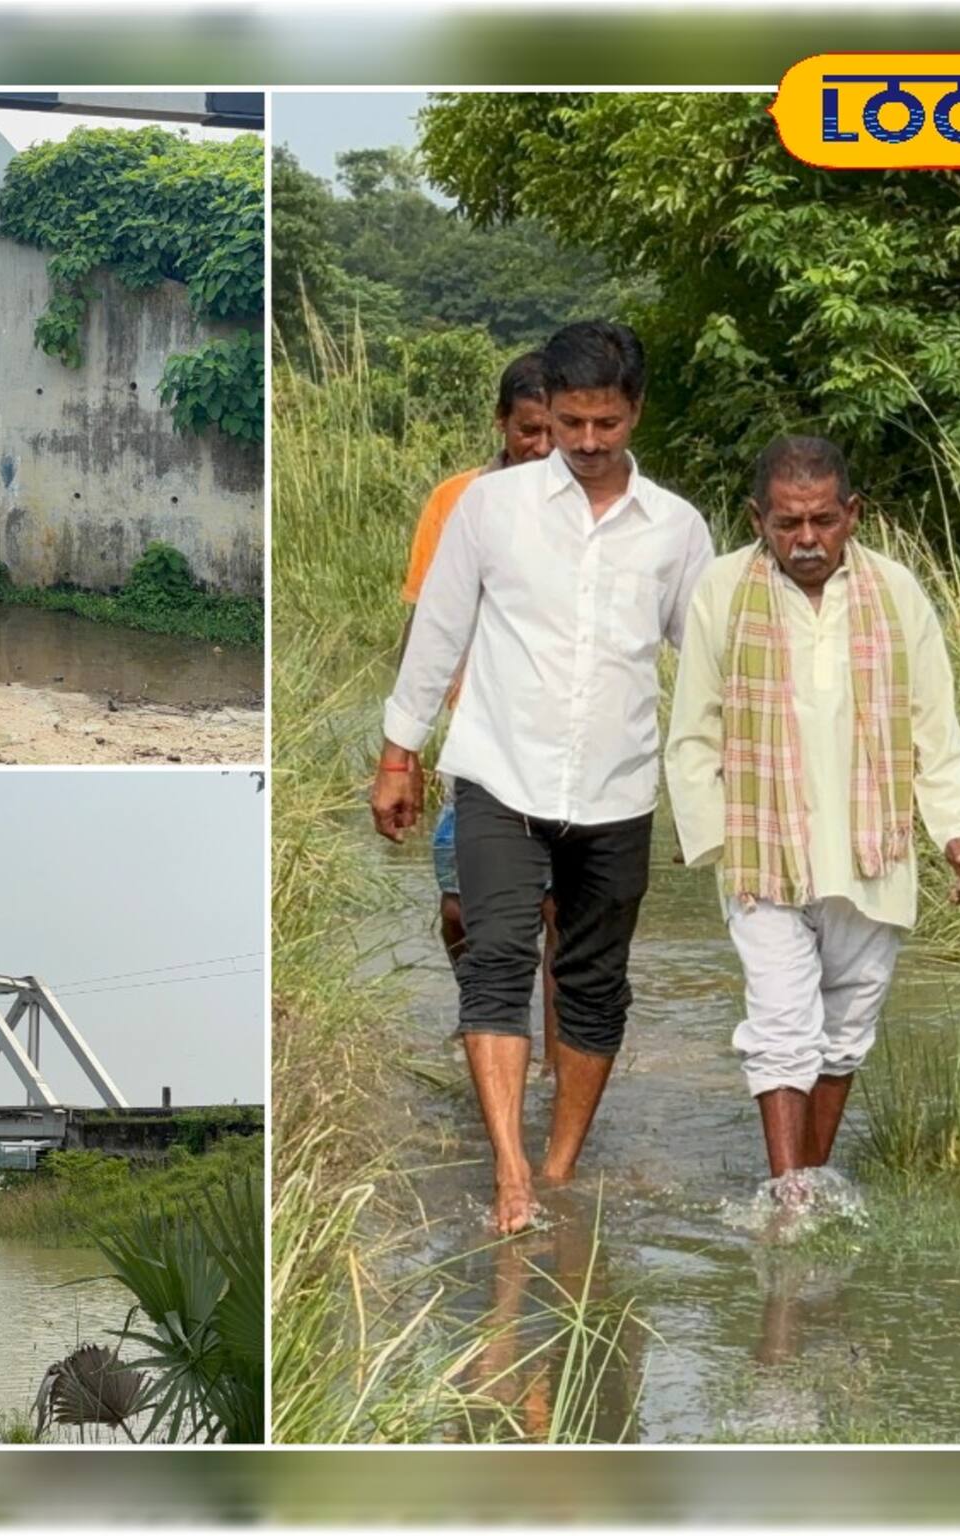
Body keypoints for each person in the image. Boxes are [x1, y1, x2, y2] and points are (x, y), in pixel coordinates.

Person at [372, 320, 715, 1235]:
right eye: (570, 424)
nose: (590, 443)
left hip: (617, 790)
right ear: (547, 417)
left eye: (606, 423)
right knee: (494, 963)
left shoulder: (678, 530)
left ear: (636, 411)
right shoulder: (495, 508)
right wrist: (398, 757)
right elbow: (438, 633)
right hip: (499, 776)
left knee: (597, 984)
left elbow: (709, 659)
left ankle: (560, 1167)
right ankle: (512, 1171)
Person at [664, 434, 960, 1182]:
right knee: (780, 1028)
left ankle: (808, 1178)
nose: (806, 540)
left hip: (873, 850)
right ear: (756, 520)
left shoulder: (898, 593)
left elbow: (934, 727)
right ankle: (790, 1197)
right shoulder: (722, 591)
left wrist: (958, 831)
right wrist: (707, 834)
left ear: (853, 514)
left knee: (844, 1032)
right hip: (763, 844)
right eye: (786, 524)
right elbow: (693, 726)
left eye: (822, 521)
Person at [398, 351, 559, 1062]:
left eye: (558, 430)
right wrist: (401, 745)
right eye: (531, 431)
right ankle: (484, 1010)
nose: (546, 448)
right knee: (463, 904)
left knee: (563, 917)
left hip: (565, 740)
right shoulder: (456, 501)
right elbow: (426, 623)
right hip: (478, 739)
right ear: (502, 424)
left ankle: (555, 1060)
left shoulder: (592, 506)